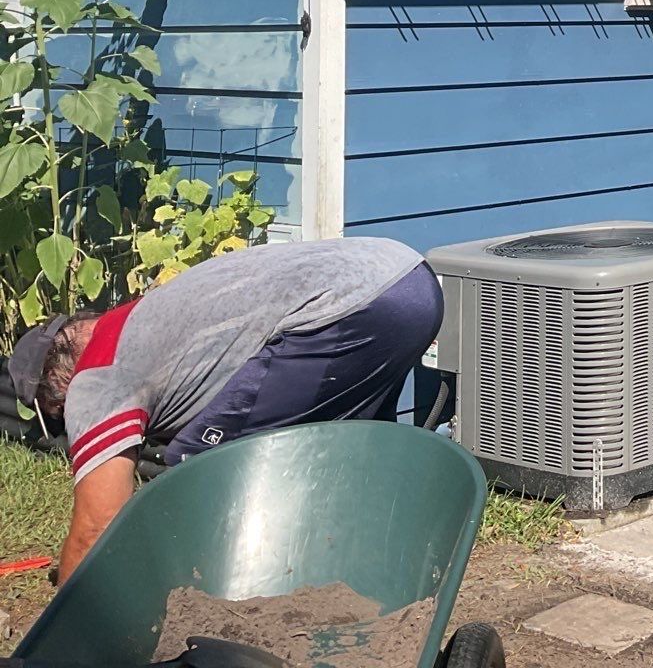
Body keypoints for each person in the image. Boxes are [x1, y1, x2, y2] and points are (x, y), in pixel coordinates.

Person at [6, 237, 442, 581]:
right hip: (409, 279)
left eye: (56, 413)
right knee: (345, 448)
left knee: (199, 470)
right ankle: (374, 565)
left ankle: (223, 594)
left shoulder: (96, 376)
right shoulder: (141, 320)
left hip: (351, 307)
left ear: (57, 385)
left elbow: (96, 527)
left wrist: (63, 622)